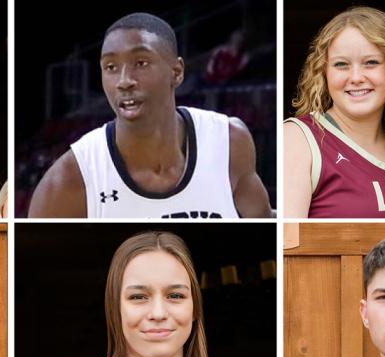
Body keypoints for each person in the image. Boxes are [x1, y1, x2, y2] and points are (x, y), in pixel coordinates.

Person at [28, 13, 271, 218]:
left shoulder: (229, 141)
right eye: (111, 67)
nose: (124, 81)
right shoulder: (68, 179)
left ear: (176, 72)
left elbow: (266, 225)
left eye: (140, 63)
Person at [15, 231, 254, 357]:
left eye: (175, 296)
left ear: (194, 309)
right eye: (138, 297)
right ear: (115, 309)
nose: (158, 313)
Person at [284, 7, 385, 218]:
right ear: (323, 73)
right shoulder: (298, 139)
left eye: (371, 63)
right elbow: (287, 245)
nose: (356, 77)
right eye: (341, 64)